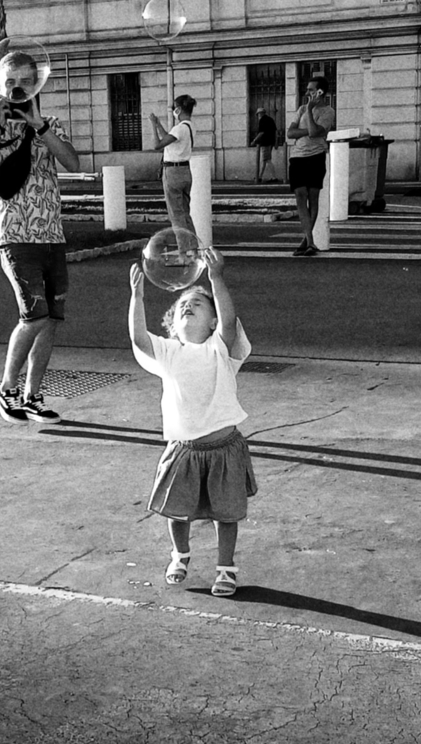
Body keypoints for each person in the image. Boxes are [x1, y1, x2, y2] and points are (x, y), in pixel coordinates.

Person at [128, 248, 258, 597]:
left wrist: (215, 278)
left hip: (224, 448)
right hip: (183, 449)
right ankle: (180, 554)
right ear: (173, 323)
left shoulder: (220, 348)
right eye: (183, 304)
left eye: (198, 304)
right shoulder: (170, 353)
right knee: (178, 510)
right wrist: (137, 297)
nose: (188, 305)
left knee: (226, 514)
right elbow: (139, 337)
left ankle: (226, 568)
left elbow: (230, 321)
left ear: (212, 321)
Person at [0, 51, 80, 424]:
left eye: (25, 81)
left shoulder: (50, 123)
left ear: (37, 84)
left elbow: (73, 163)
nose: (17, 88)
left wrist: (40, 128)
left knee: (50, 320)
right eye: (10, 82)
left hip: (53, 236)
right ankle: (7, 390)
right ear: (1, 85)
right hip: (16, 237)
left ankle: (33, 396)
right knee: (33, 315)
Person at [287, 76, 335, 257]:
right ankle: (309, 240)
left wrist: (309, 110)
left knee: (312, 197)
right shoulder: (300, 109)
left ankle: (307, 241)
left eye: (311, 89)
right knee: (300, 195)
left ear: (320, 91)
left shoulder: (328, 111)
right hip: (298, 157)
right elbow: (290, 133)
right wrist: (306, 118)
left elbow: (316, 132)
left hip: (315, 156)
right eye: (307, 89)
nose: (307, 92)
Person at [149, 95, 197, 257]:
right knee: (185, 212)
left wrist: (152, 126)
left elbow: (158, 145)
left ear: (179, 109)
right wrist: (158, 124)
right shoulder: (189, 127)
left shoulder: (179, 128)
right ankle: (194, 248)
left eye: (174, 108)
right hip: (185, 170)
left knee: (175, 214)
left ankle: (182, 252)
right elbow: (168, 138)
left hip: (172, 172)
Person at [250, 108, 278, 183]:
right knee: (264, 160)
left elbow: (261, 133)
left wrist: (254, 141)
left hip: (265, 142)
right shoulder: (271, 119)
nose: (258, 115)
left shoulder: (262, 121)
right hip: (271, 142)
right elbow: (275, 132)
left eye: (258, 114)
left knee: (267, 160)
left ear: (260, 114)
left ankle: (274, 177)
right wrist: (276, 142)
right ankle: (259, 176)